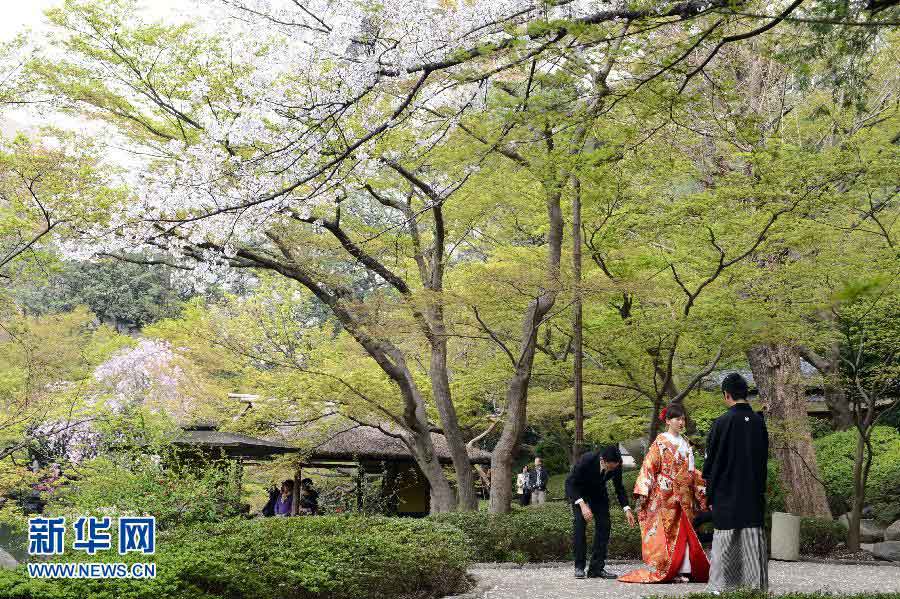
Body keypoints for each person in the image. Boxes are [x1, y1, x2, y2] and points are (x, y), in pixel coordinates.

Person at [619, 403, 710, 584]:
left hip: (684, 494)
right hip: (665, 493)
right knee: (669, 532)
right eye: (677, 418)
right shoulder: (660, 442)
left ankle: (685, 568)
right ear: (668, 420)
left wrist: (704, 487)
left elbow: (691, 472)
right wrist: (644, 490)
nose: (681, 422)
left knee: (686, 530)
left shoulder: (685, 443)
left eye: (683, 418)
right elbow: (649, 466)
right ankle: (669, 568)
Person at [703, 373, 769, 594]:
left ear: (726, 394)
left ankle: (722, 590)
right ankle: (753, 590)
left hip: (726, 496)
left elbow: (711, 464)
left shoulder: (721, 423)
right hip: (752, 495)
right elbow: (762, 463)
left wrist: (710, 496)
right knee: (752, 545)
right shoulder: (759, 423)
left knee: (725, 543)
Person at [565, 445, 636, 579]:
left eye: (615, 466)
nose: (612, 469)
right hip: (579, 492)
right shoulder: (587, 460)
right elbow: (570, 483)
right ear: (603, 460)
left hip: (598, 493)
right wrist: (582, 505)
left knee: (605, 525)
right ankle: (579, 567)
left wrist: (627, 509)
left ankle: (596, 568)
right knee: (580, 524)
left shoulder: (616, 464)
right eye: (610, 467)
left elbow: (619, 487)